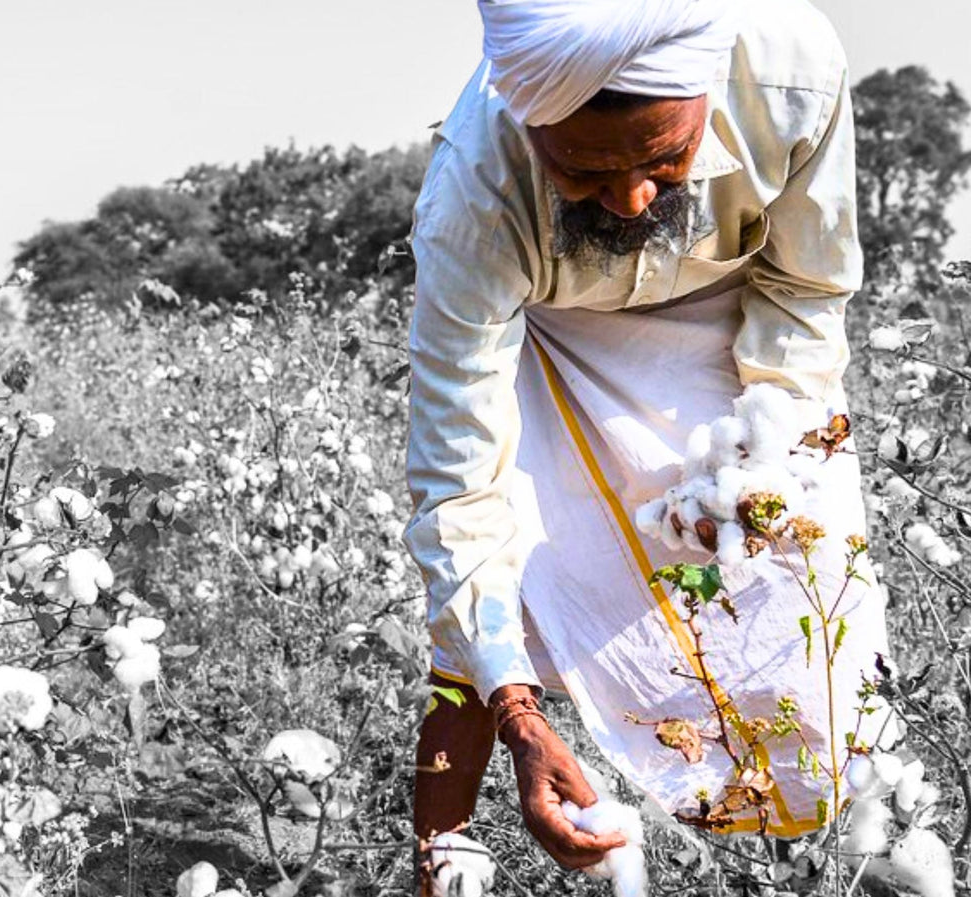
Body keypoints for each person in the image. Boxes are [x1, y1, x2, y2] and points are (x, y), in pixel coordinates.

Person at [408, 0, 891, 878]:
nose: (632, 199)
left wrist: (762, 459)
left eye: (666, 160)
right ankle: (442, 854)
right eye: (584, 171)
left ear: (708, 90)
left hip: (738, 317)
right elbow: (459, 486)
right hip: (553, 335)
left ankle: (838, 862)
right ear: (530, 125)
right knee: (493, 596)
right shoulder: (475, 196)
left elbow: (807, 287)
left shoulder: (793, 72)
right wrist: (519, 710)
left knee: (810, 591)